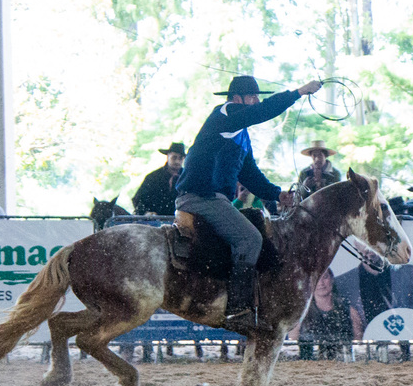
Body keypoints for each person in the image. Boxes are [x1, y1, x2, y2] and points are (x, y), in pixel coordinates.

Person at [175, 74, 322, 326]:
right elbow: (262, 113)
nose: (255, 101)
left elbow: (248, 173)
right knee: (250, 238)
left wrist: (276, 194)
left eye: (256, 97)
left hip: (211, 198)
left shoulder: (239, 132)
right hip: (201, 197)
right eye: (252, 96)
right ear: (236, 98)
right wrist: (298, 93)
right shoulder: (225, 113)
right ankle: (238, 309)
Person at [290, 268, 363, 360]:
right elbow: (292, 346)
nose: (321, 283)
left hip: (342, 367)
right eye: (316, 279)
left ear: (332, 279)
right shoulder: (300, 313)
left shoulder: (350, 311)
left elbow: (358, 344)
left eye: (325, 277)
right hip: (308, 368)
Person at [132, 142, 186, 216]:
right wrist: (145, 212)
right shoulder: (153, 177)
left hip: (180, 221)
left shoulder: (186, 178)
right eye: (174, 157)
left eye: (180, 158)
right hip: (153, 221)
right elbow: (138, 199)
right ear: (168, 156)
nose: (177, 161)